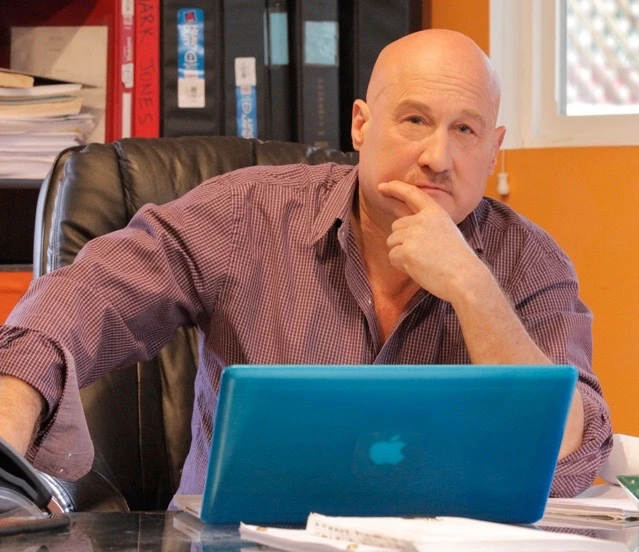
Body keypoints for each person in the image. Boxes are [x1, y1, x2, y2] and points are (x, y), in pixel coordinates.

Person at [0, 29, 612, 502]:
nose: (438, 157)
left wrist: (473, 289)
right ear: (361, 125)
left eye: (466, 130)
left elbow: (572, 448)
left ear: (494, 149)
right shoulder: (249, 214)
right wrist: (9, 420)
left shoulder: (529, 262)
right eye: (415, 120)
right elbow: (86, 297)